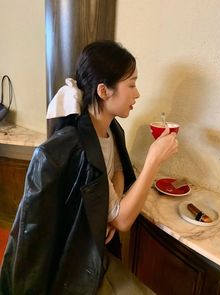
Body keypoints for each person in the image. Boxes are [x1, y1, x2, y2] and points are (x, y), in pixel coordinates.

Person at [0, 40, 178, 294]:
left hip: (91, 249)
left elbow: (115, 172)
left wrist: (106, 212)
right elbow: (124, 220)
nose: (137, 94)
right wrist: (154, 160)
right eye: (132, 84)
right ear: (104, 91)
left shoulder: (111, 130)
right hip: (70, 266)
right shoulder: (79, 146)